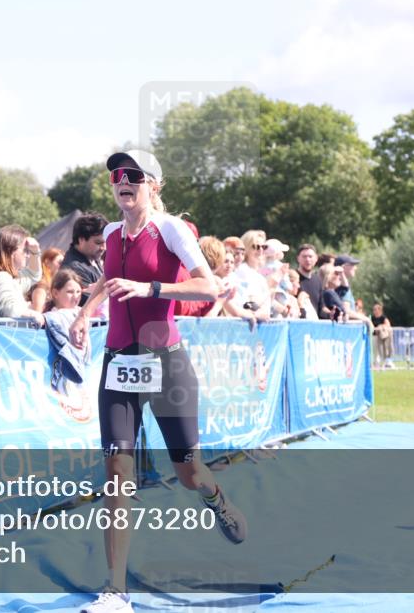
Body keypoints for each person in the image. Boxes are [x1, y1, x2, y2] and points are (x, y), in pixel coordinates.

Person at [69, 150, 246, 613]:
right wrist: (85, 316)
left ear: (154, 186)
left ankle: (216, 496)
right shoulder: (109, 232)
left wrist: (151, 289)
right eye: (115, 176)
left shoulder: (170, 230)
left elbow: (209, 287)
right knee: (117, 473)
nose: (122, 182)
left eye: (133, 176)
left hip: (166, 363)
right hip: (118, 363)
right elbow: (108, 284)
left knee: (189, 472)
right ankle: (116, 591)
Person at [0, 225, 44, 324]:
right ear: (11, 252)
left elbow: (34, 275)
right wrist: (32, 314)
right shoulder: (2, 277)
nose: (27, 255)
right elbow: (8, 307)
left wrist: (35, 251)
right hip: (6, 337)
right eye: (25, 250)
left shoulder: (3, 277)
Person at [62, 212, 109, 307]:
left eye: (105, 242)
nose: (103, 247)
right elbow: (92, 302)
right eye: (98, 243)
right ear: (81, 240)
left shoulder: (93, 258)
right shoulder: (74, 268)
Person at [230, 230, 272, 321]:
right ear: (247, 248)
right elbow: (247, 303)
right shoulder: (241, 271)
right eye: (256, 247)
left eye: (264, 247)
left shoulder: (259, 276)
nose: (260, 250)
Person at [296, 244, 322, 317]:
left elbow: (321, 308)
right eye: (304, 256)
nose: (307, 259)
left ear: (316, 258)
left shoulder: (318, 280)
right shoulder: (292, 279)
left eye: (310, 256)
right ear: (298, 258)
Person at [371, 302, 393, 368]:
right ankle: (376, 364)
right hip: (374, 336)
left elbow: (388, 324)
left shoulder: (383, 317)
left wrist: (380, 326)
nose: (374, 311)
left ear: (379, 310)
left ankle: (385, 363)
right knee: (375, 351)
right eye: (374, 309)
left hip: (382, 337)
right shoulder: (372, 318)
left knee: (383, 350)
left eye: (376, 309)